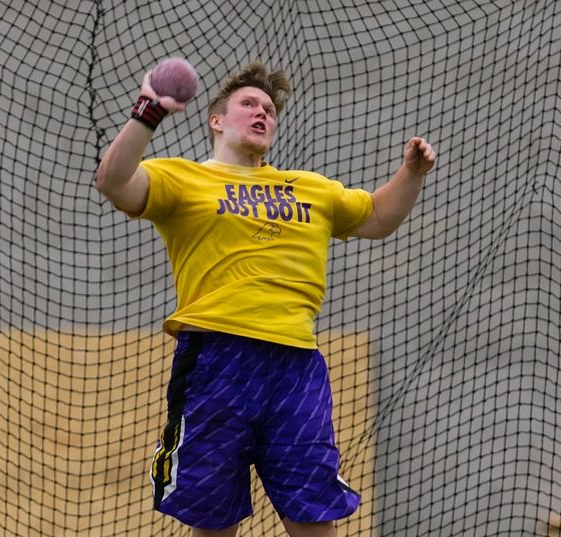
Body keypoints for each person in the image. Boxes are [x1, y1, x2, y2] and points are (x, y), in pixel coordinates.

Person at [95, 60, 436, 537]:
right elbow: (112, 182)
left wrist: (411, 172)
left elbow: (379, 217)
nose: (262, 113)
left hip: (296, 367)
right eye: (249, 104)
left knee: (313, 512)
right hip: (217, 362)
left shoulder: (311, 189)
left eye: (270, 109)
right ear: (217, 120)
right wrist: (148, 112)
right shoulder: (182, 179)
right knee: (213, 517)